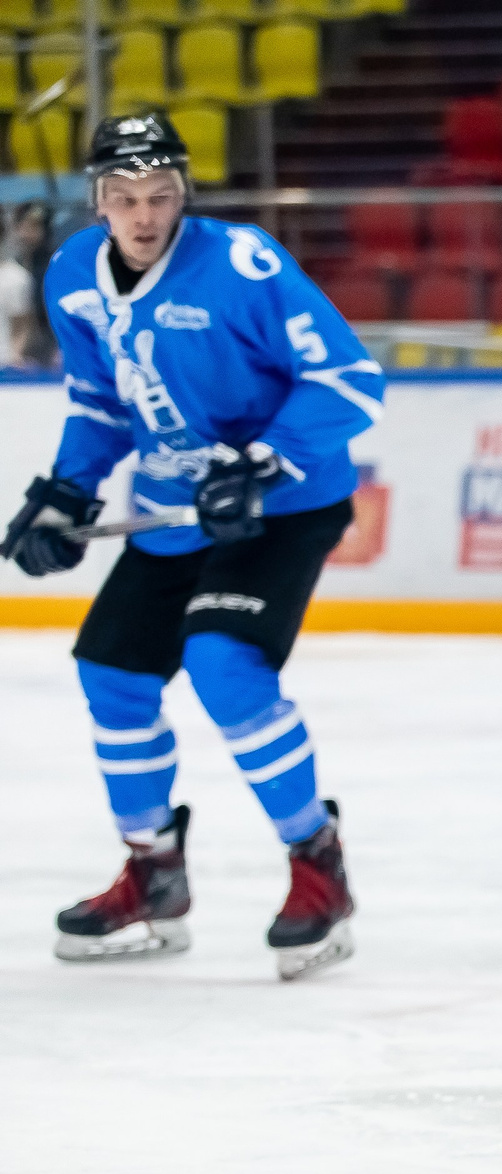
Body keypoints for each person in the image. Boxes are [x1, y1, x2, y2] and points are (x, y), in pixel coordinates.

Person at [2, 113, 382, 979]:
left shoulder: (241, 263)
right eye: (126, 198)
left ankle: (317, 867)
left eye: (161, 196)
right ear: (99, 201)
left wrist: (266, 459)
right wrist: (67, 490)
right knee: (112, 672)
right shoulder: (71, 277)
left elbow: (350, 378)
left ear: (184, 194)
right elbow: (102, 402)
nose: (145, 215)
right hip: (175, 512)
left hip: (281, 507)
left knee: (223, 664)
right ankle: (154, 874)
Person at [0, 200, 57, 369]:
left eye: (35, 226)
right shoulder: (17, 266)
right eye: (23, 226)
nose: (27, 233)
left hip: (42, 349)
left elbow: (25, 323)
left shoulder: (53, 267)